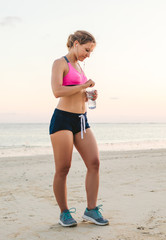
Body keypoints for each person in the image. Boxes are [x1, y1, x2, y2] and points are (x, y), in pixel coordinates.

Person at [49, 30, 109, 227]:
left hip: (82, 120)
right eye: (86, 49)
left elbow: (76, 93)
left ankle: (91, 210)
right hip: (63, 120)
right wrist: (83, 85)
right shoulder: (60, 63)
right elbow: (57, 91)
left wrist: (88, 95)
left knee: (94, 163)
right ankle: (64, 213)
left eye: (90, 51)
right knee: (63, 168)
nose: (88, 55)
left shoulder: (79, 67)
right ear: (75, 43)